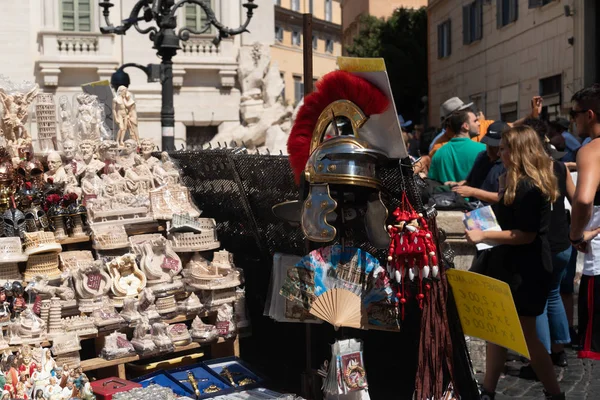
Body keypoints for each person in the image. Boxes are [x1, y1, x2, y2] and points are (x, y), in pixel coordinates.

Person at [465, 126, 564, 400]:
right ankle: (488, 390)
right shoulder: (515, 180)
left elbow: (525, 234)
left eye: (506, 148)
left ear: (519, 151)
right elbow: (510, 218)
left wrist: (483, 233)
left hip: (526, 271)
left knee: (527, 336)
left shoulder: (529, 186)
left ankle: (554, 393)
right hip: (509, 265)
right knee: (496, 332)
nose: (501, 152)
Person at [568, 83, 600, 360]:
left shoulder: (592, 150)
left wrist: (576, 234)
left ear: (589, 114)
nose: (573, 119)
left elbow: (583, 199)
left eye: (574, 113)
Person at [450, 121, 508, 204]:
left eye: (495, 147)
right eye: (488, 144)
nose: (490, 150)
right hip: (474, 211)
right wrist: (455, 186)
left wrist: (474, 192)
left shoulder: (507, 164)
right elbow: (469, 181)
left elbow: (503, 197)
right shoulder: (482, 156)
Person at [427, 110, 485, 185]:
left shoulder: (438, 154)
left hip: (445, 196)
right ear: (466, 126)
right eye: (475, 121)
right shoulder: (483, 150)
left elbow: (432, 184)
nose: (479, 123)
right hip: (475, 196)